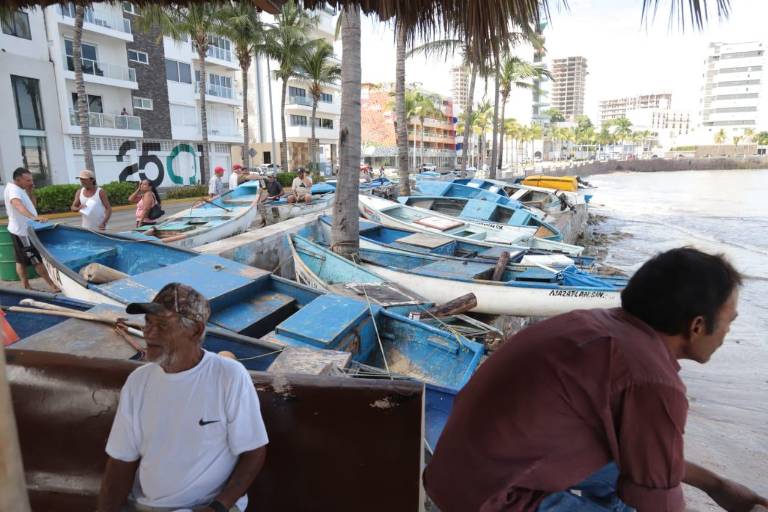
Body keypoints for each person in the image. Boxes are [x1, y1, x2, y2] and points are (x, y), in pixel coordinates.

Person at [424, 248, 768, 512]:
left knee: (627, 474)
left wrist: (717, 485)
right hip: (492, 500)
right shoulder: (652, 380)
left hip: (453, 473)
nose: (727, 333)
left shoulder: (593, 325)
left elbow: (646, 460)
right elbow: (660, 501)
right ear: (696, 326)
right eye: (729, 322)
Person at [97, 283, 268, 512]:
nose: (149, 333)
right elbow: (120, 462)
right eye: (148, 322)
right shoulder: (138, 382)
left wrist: (219, 507)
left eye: (163, 325)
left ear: (196, 331)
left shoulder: (229, 376)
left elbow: (254, 452)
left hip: (207, 507)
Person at [2, 167, 59, 292]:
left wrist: (30, 192)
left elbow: (31, 206)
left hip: (20, 230)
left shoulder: (19, 189)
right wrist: (35, 218)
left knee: (20, 260)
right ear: (18, 180)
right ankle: (52, 286)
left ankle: (26, 286)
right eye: (27, 180)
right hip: (22, 232)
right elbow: (18, 205)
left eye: (31, 179)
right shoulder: (13, 190)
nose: (31, 182)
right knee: (35, 259)